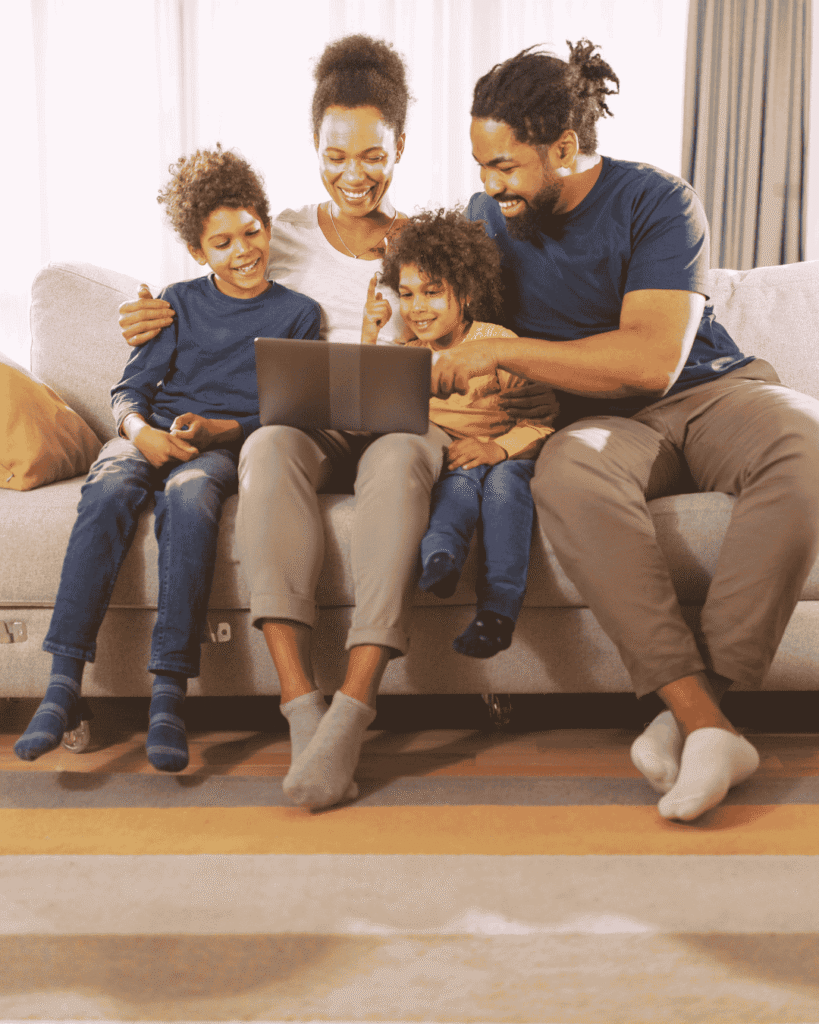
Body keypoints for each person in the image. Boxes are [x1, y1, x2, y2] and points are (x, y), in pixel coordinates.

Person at [118, 35, 559, 810]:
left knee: (396, 463)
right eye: (334, 155)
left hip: (402, 421)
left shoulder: (428, 237)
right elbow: (217, 284)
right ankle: (301, 707)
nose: (353, 174)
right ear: (313, 147)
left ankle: (354, 706)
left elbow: (476, 341)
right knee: (270, 445)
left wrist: (512, 400)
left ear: (400, 148)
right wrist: (154, 313)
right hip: (311, 420)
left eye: (373, 155)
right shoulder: (277, 234)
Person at [430, 40, 819, 822]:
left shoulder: (657, 201)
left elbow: (647, 361)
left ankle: (696, 716)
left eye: (504, 167)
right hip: (595, 429)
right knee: (567, 477)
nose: (489, 186)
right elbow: (427, 301)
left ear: (565, 147)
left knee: (805, 441)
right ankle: (708, 725)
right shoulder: (485, 219)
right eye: (480, 167)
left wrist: (507, 351)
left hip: (705, 394)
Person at [15, 146, 320, 772]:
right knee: (107, 486)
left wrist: (217, 430)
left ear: (267, 222)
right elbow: (128, 390)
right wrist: (136, 430)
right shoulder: (176, 304)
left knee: (191, 496)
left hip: (216, 451)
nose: (241, 251)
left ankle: (167, 696)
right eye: (221, 243)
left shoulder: (298, 315)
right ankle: (61, 684)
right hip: (147, 434)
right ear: (197, 252)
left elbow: (288, 412)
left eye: (251, 232)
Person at [366, 208, 553, 658]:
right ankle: (441, 561)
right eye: (407, 295)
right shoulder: (406, 355)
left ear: (466, 294)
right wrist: (369, 332)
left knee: (505, 491)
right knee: (457, 486)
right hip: (455, 459)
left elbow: (540, 422)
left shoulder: (495, 343)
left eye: (432, 293)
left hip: (505, 456)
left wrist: (496, 448)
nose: (417, 308)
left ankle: (498, 611)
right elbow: (367, 399)